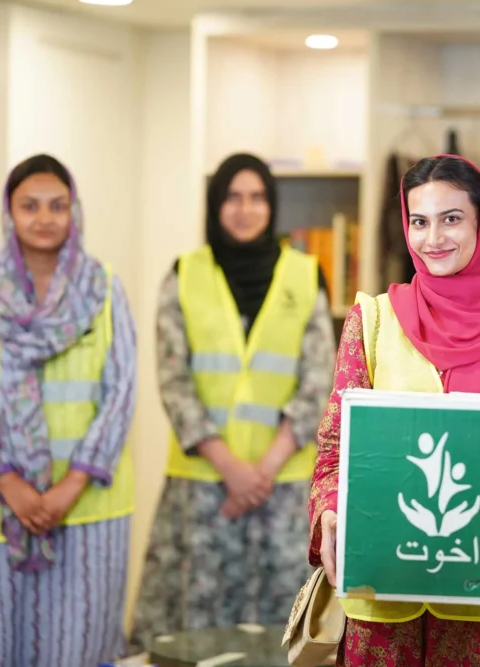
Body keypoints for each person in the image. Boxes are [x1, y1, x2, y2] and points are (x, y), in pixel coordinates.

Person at [309, 154, 480, 666]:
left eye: (451, 219)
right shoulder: (373, 320)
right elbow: (336, 448)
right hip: (382, 597)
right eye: (419, 221)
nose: (432, 239)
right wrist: (329, 509)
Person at [0, 154, 138, 666]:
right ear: (9, 213)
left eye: (57, 206)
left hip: (85, 511)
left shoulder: (104, 291)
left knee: (77, 652)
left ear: (74, 211)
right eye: (30, 206)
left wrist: (69, 487)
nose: (44, 218)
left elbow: (121, 394)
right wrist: (10, 485)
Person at [131, 153, 335, 648]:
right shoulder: (184, 274)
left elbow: (318, 380)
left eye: (257, 197)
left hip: (282, 488)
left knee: (280, 630)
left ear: (273, 205)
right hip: (204, 489)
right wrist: (231, 469)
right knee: (197, 629)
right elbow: (174, 381)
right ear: (215, 204)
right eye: (233, 197)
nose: (245, 209)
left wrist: (261, 470)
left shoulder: (306, 274)